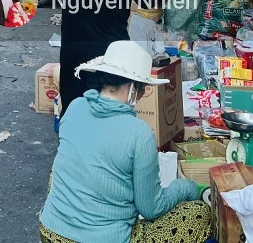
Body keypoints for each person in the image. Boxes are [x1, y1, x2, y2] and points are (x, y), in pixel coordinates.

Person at [39, 41, 210, 243]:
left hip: (50, 232)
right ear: (133, 88)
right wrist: (186, 188)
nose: (141, 95)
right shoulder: (139, 133)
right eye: (143, 88)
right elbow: (151, 208)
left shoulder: (76, 106)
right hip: (106, 238)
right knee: (199, 214)